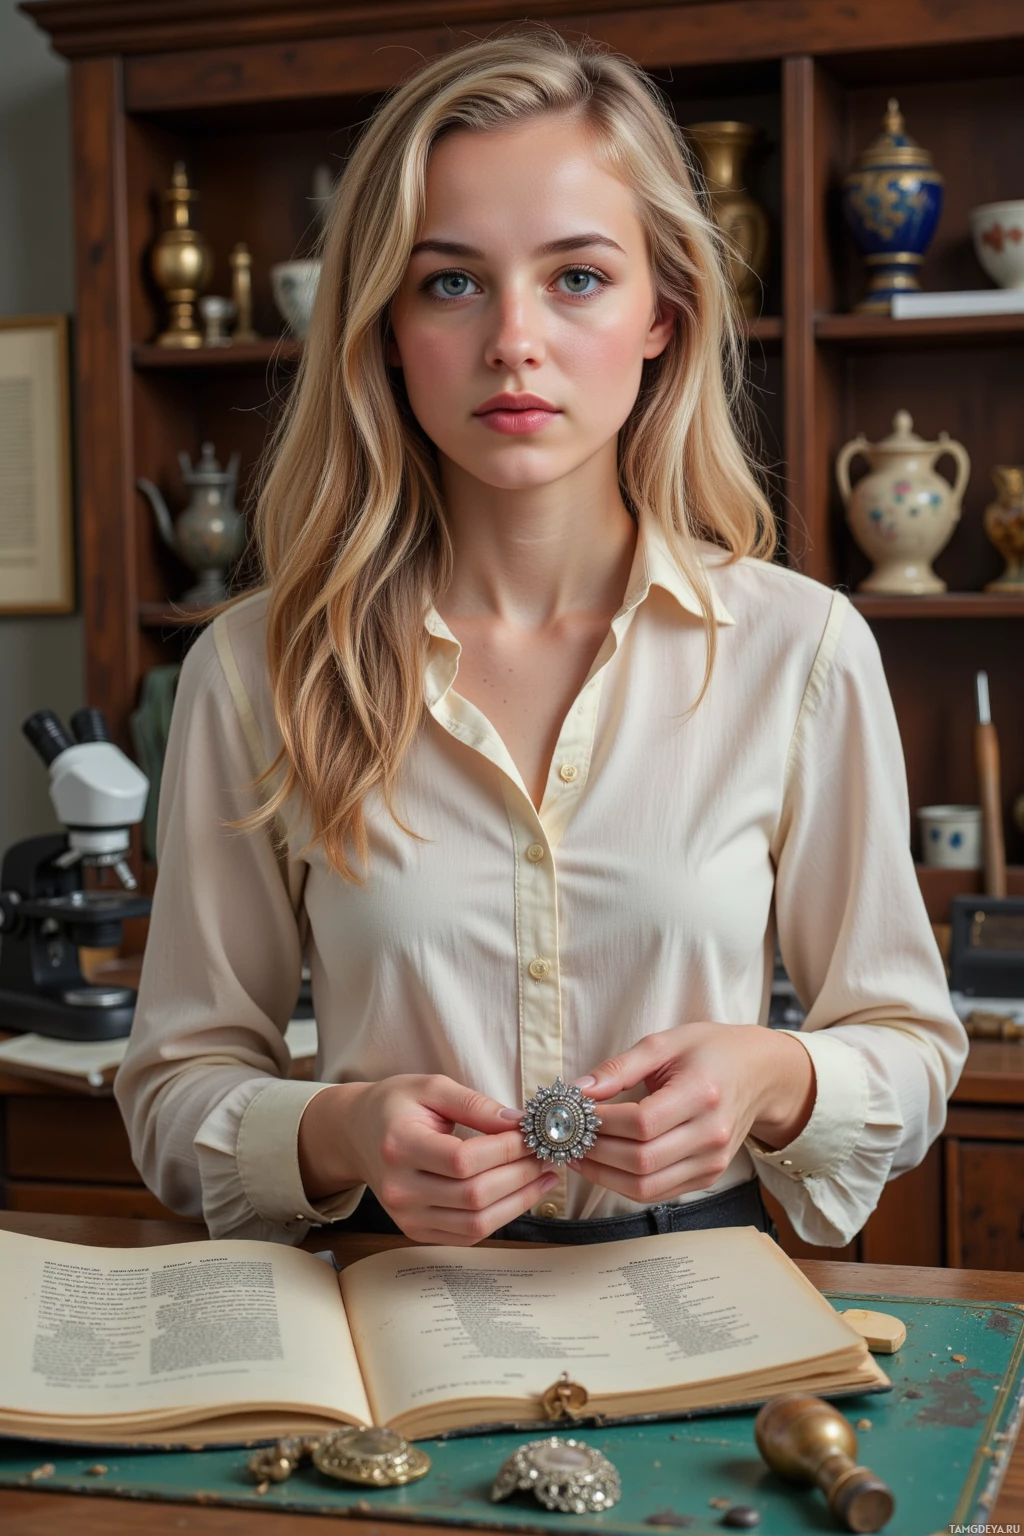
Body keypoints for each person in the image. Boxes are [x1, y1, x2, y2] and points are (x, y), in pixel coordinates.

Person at [115, 25, 967, 1250]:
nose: (514, 338)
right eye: (450, 281)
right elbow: (172, 1091)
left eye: (576, 277)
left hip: (704, 1318)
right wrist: (343, 1131)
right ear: (385, 326)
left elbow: (908, 1047)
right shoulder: (255, 670)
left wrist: (773, 1079)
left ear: (663, 311)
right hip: (384, 1338)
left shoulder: (803, 650)